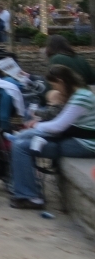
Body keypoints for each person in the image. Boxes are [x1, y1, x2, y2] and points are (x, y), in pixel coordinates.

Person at [8, 65, 95, 209]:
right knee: (22, 140)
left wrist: (35, 126)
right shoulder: (80, 94)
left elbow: (58, 126)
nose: (56, 90)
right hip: (73, 137)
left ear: (61, 81)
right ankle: (26, 188)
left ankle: (30, 196)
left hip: (84, 144)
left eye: (55, 85)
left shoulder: (81, 98)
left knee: (21, 146)